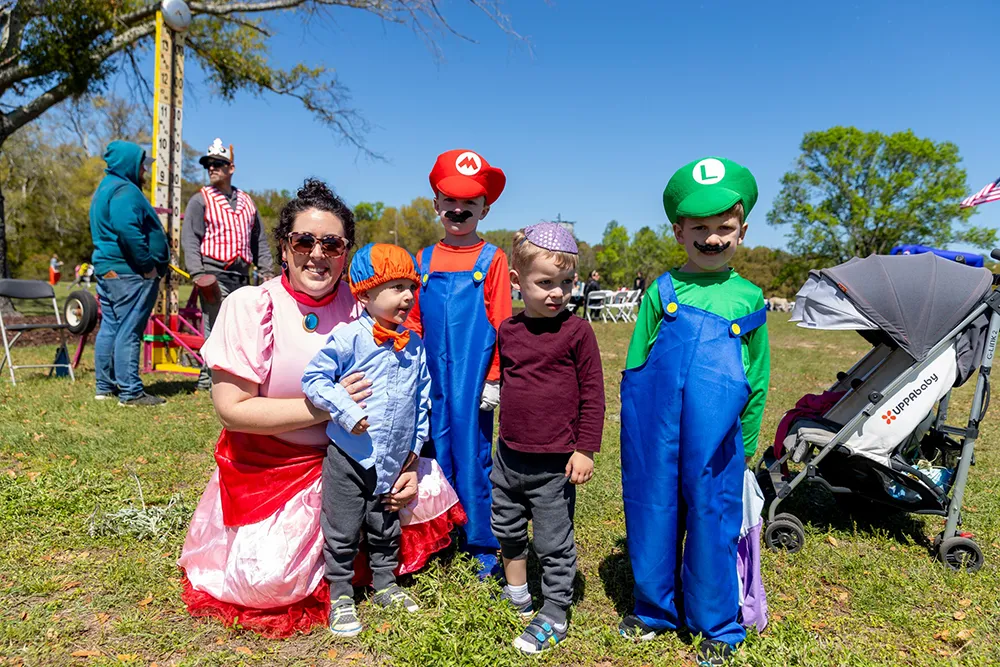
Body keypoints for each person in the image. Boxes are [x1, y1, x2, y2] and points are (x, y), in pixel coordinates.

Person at [178, 180, 464, 638]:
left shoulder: (367, 308)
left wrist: (407, 461)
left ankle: (370, 565)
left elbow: (409, 387)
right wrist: (326, 409)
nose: (317, 253)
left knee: (424, 490)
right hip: (269, 468)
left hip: (355, 456)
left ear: (346, 253)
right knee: (269, 579)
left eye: (331, 243)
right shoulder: (252, 305)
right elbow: (232, 410)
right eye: (303, 240)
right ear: (284, 247)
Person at [618, 157, 770, 666]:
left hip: (717, 438)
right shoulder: (661, 291)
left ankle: (717, 625)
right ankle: (654, 610)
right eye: (699, 228)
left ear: (742, 231)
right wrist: (635, 428)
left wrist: (745, 444)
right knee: (653, 510)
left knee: (711, 518)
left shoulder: (748, 297)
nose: (712, 238)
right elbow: (637, 361)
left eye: (724, 228)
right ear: (678, 231)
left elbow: (758, 375)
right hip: (653, 430)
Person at [302, 243, 431, 637]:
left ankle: (385, 584)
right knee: (341, 527)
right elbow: (314, 380)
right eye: (395, 287)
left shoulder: (415, 346)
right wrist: (347, 411)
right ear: (366, 293)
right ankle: (340, 593)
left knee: (385, 525)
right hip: (349, 455)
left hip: (392, 460)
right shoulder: (348, 340)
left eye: (410, 286)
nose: (407, 296)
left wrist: (414, 449)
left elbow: (422, 399)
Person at [492, 223, 605, 653]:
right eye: (545, 283)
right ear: (518, 282)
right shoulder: (509, 331)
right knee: (507, 527)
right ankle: (518, 593)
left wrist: (585, 448)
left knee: (553, 541)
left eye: (566, 283)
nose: (557, 292)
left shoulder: (577, 332)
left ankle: (555, 611)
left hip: (555, 463)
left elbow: (593, 395)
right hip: (509, 456)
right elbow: (505, 381)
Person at [403, 149, 512, 577]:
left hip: (472, 380)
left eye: (469, 202)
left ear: (485, 208)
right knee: (429, 452)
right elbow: (411, 321)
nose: (459, 209)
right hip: (430, 378)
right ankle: (434, 534)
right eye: (450, 200)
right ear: (435, 205)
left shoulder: (493, 259)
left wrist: (495, 378)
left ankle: (480, 541)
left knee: (473, 456)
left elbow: (502, 323)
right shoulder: (423, 259)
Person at [182, 138, 275, 392]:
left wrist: (267, 270)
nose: (212, 168)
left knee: (240, 328)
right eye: (208, 164)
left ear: (231, 168)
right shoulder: (200, 200)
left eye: (218, 164)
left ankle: (215, 378)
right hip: (213, 272)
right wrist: (198, 272)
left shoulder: (247, 202)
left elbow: (259, 240)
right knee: (216, 326)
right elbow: (190, 237)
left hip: (242, 275)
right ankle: (213, 381)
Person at [89, 141, 168, 406]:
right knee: (129, 329)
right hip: (129, 272)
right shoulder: (125, 190)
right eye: (142, 166)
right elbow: (127, 229)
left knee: (111, 326)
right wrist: (147, 265)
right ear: (130, 165)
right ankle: (130, 392)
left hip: (108, 269)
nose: (145, 172)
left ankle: (104, 386)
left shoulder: (105, 188)